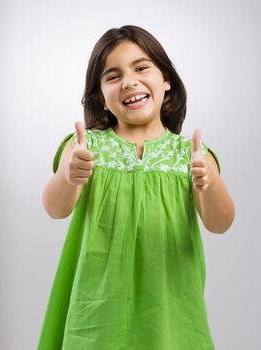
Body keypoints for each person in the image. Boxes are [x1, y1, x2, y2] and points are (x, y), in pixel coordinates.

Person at [37, 25, 235, 349]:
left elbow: (221, 222)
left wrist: (208, 184)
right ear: (101, 98)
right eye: (113, 76)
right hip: (99, 314)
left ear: (166, 80)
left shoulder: (192, 155)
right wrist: (68, 177)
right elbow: (54, 208)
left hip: (171, 314)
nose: (129, 81)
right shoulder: (86, 148)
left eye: (142, 67)